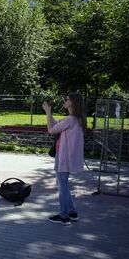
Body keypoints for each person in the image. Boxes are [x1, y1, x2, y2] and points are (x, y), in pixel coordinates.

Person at [42, 93, 86, 225]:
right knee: (64, 184)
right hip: (67, 156)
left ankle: (64, 216)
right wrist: (49, 114)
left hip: (64, 157)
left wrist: (48, 113)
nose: (64, 100)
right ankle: (72, 212)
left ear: (72, 102)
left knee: (62, 185)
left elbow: (51, 130)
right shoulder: (76, 119)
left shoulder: (70, 120)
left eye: (66, 99)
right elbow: (56, 124)